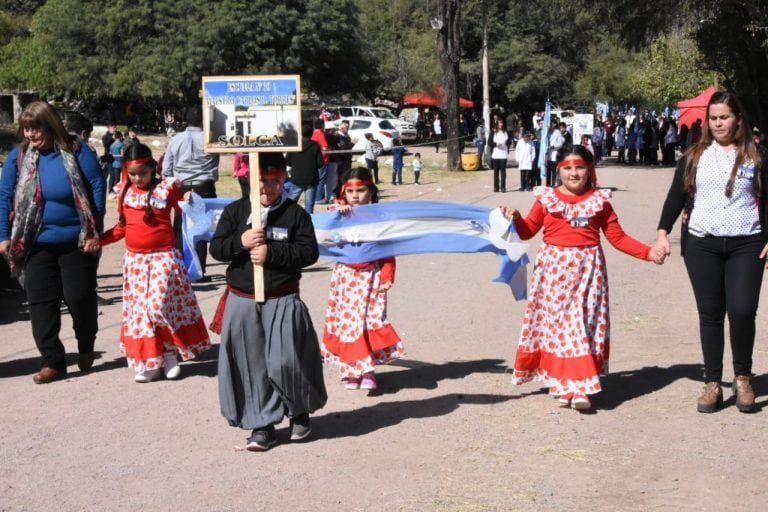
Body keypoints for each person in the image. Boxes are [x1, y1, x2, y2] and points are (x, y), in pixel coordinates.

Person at [501, 145, 660, 411]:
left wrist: (649, 253)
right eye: (567, 168)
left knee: (580, 326)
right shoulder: (546, 198)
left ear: (590, 170)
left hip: (588, 273)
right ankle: (566, 383)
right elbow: (528, 231)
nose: (574, 173)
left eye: (580, 167)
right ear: (558, 170)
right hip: (553, 275)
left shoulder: (600, 201)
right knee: (558, 329)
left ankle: (579, 387)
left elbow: (617, 238)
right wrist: (515, 217)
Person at [653, 91, 768, 414]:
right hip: (702, 244)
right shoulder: (694, 156)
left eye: (725, 117)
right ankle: (713, 383)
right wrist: (663, 233)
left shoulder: (757, 156)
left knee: (743, 310)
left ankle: (743, 378)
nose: (719, 123)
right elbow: (676, 197)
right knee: (711, 313)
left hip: (748, 243)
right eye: (714, 118)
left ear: (738, 119)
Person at [209, 152, 327, 451]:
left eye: (275, 181)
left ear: (284, 180)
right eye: (261, 181)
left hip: (282, 299)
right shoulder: (236, 212)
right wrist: (242, 242)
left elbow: (309, 252)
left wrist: (271, 253)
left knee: (286, 361)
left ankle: (298, 411)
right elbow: (218, 249)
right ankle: (261, 425)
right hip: (243, 300)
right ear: (250, 179)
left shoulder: (295, 214)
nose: (268, 187)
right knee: (252, 366)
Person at [0, 100, 105, 384]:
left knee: (79, 297)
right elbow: (4, 194)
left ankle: (86, 345)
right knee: (40, 303)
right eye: (26, 130)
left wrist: (94, 230)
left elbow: (96, 186)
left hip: (76, 239)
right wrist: (4, 236)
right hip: (34, 241)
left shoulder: (76, 150)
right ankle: (53, 361)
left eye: (36, 129)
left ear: (51, 125)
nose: (31, 135)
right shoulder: (20, 156)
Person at [100, 143, 211, 382]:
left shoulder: (167, 188)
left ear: (152, 168)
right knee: (141, 314)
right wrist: (99, 241)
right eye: (133, 174)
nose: (138, 178)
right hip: (135, 263)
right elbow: (122, 228)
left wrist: (190, 199)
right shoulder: (124, 192)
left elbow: (188, 213)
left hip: (164, 258)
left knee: (157, 307)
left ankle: (170, 354)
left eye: (143, 173)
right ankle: (150, 362)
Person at [320, 167, 404, 391]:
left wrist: (388, 275)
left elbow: (388, 249)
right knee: (348, 325)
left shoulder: (380, 218)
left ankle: (367, 370)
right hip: (345, 279)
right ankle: (350, 372)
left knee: (367, 323)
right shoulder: (339, 214)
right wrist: (339, 210)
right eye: (350, 191)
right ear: (343, 192)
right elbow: (323, 229)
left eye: (361, 190)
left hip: (371, 278)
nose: (355, 195)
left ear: (371, 190)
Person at [162, 105, 220, 281]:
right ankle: (199, 270)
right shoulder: (211, 139)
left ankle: (181, 271)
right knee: (201, 229)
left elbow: (166, 168)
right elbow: (216, 161)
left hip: (182, 187)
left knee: (181, 228)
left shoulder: (175, 139)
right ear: (204, 121)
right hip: (205, 186)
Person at [285, 124, 323, 213]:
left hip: (297, 178)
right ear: (311, 134)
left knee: (289, 203)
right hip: (311, 178)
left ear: (300, 133)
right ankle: (308, 223)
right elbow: (320, 163)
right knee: (309, 205)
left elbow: (287, 161)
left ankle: (288, 218)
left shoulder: (295, 145)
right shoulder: (315, 146)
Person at [488, 119, 510, 192]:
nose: (501, 125)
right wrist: (495, 144)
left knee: (503, 172)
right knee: (496, 172)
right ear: (497, 124)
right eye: (499, 123)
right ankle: (496, 187)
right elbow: (489, 142)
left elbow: (509, 142)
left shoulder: (505, 132)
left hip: (503, 154)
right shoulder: (493, 132)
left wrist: (505, 144)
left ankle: (503, 187)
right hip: (496, 154)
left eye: (501, 123)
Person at [108, 130, 124, 199]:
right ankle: (116, 192)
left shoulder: (112, 145)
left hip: (114, 163)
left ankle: (112, 192)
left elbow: (110, 154)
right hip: (120, 163)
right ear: (120, 137)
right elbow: (122, 154)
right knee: (119, 179)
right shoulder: (121, 144)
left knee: (114, 178)